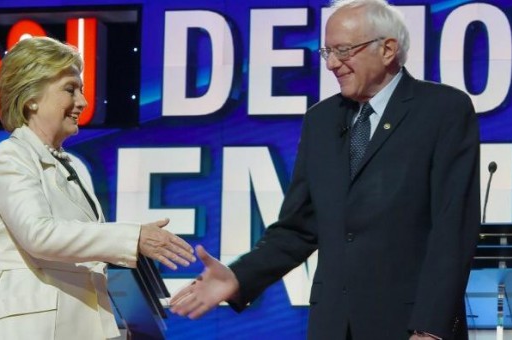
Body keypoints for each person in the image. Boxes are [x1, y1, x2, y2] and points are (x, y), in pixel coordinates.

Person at [170, 0, 480, 339]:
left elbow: (453, 227)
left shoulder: (442, 110)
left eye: (343, 50)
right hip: (332, 326)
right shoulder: (321, 120)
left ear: (388, 49)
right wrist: (239, 276)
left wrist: (431, 328)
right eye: (327, 52)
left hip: (408, 326)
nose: (332, 64)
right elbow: (298, 228)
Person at [0, 36, 196, 340]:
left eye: (82, 91)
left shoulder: (71, 166)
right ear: (31, 97)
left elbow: (86, 251)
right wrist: (132, 236)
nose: (83, 103)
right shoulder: (11, 156)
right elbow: (38, 235)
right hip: (29, 327)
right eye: (70, 89)